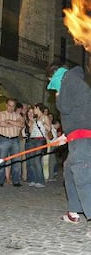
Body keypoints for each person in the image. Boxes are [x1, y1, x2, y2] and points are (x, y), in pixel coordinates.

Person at [47, 63, 91, 237]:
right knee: (69, 170)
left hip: (83, 138)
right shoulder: (73, 82)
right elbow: (76, 114)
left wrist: (58, 94)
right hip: (77, 136)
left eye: (51, 82)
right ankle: (73, 212)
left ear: (54, 76)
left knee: (82, 175)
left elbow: (64, 107)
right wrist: (66, 136)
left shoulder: (69, 82)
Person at [0, 98, 24, 187]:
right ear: (6, 105)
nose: (11, 108)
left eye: (13, 106)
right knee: (2, 161)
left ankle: (16, 181)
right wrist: (15, 123)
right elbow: (2, 124)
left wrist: (9, 121)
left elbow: (21, 124)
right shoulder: (1, 114)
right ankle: (0, 181)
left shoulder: (18, 115)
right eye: (9, 105)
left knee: (16, 161)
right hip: (4, 139)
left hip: (15, 140)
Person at [26, 103, 50, 188]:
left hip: (40, 140)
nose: (34, 111)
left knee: (37, 160)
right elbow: (30, 130)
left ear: (38, 108)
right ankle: (34, 179)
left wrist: (43, 123)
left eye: (35, 109)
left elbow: (49, 128)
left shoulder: (44, 117)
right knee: (32, 161)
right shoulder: (35, 118)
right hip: (32, 139)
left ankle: (41, 181)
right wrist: (32, 122)